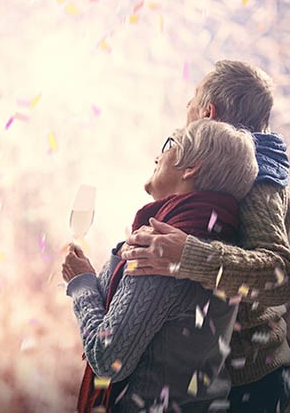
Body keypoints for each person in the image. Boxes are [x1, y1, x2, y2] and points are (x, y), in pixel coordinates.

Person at [121, 60, 290, 412]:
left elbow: (280, 272)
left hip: (250, 383)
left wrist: (188, 255)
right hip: (211, 374)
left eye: (190, 106)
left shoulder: (260, 181)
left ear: (208, 113)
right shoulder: (224, 172)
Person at [62, 118, 258, 412]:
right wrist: (117, 255)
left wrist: (81, 285)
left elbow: (107, 359)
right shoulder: (221, 244)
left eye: (169, 144)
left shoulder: (159, 251)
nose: (157, 156)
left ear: (191, 168)